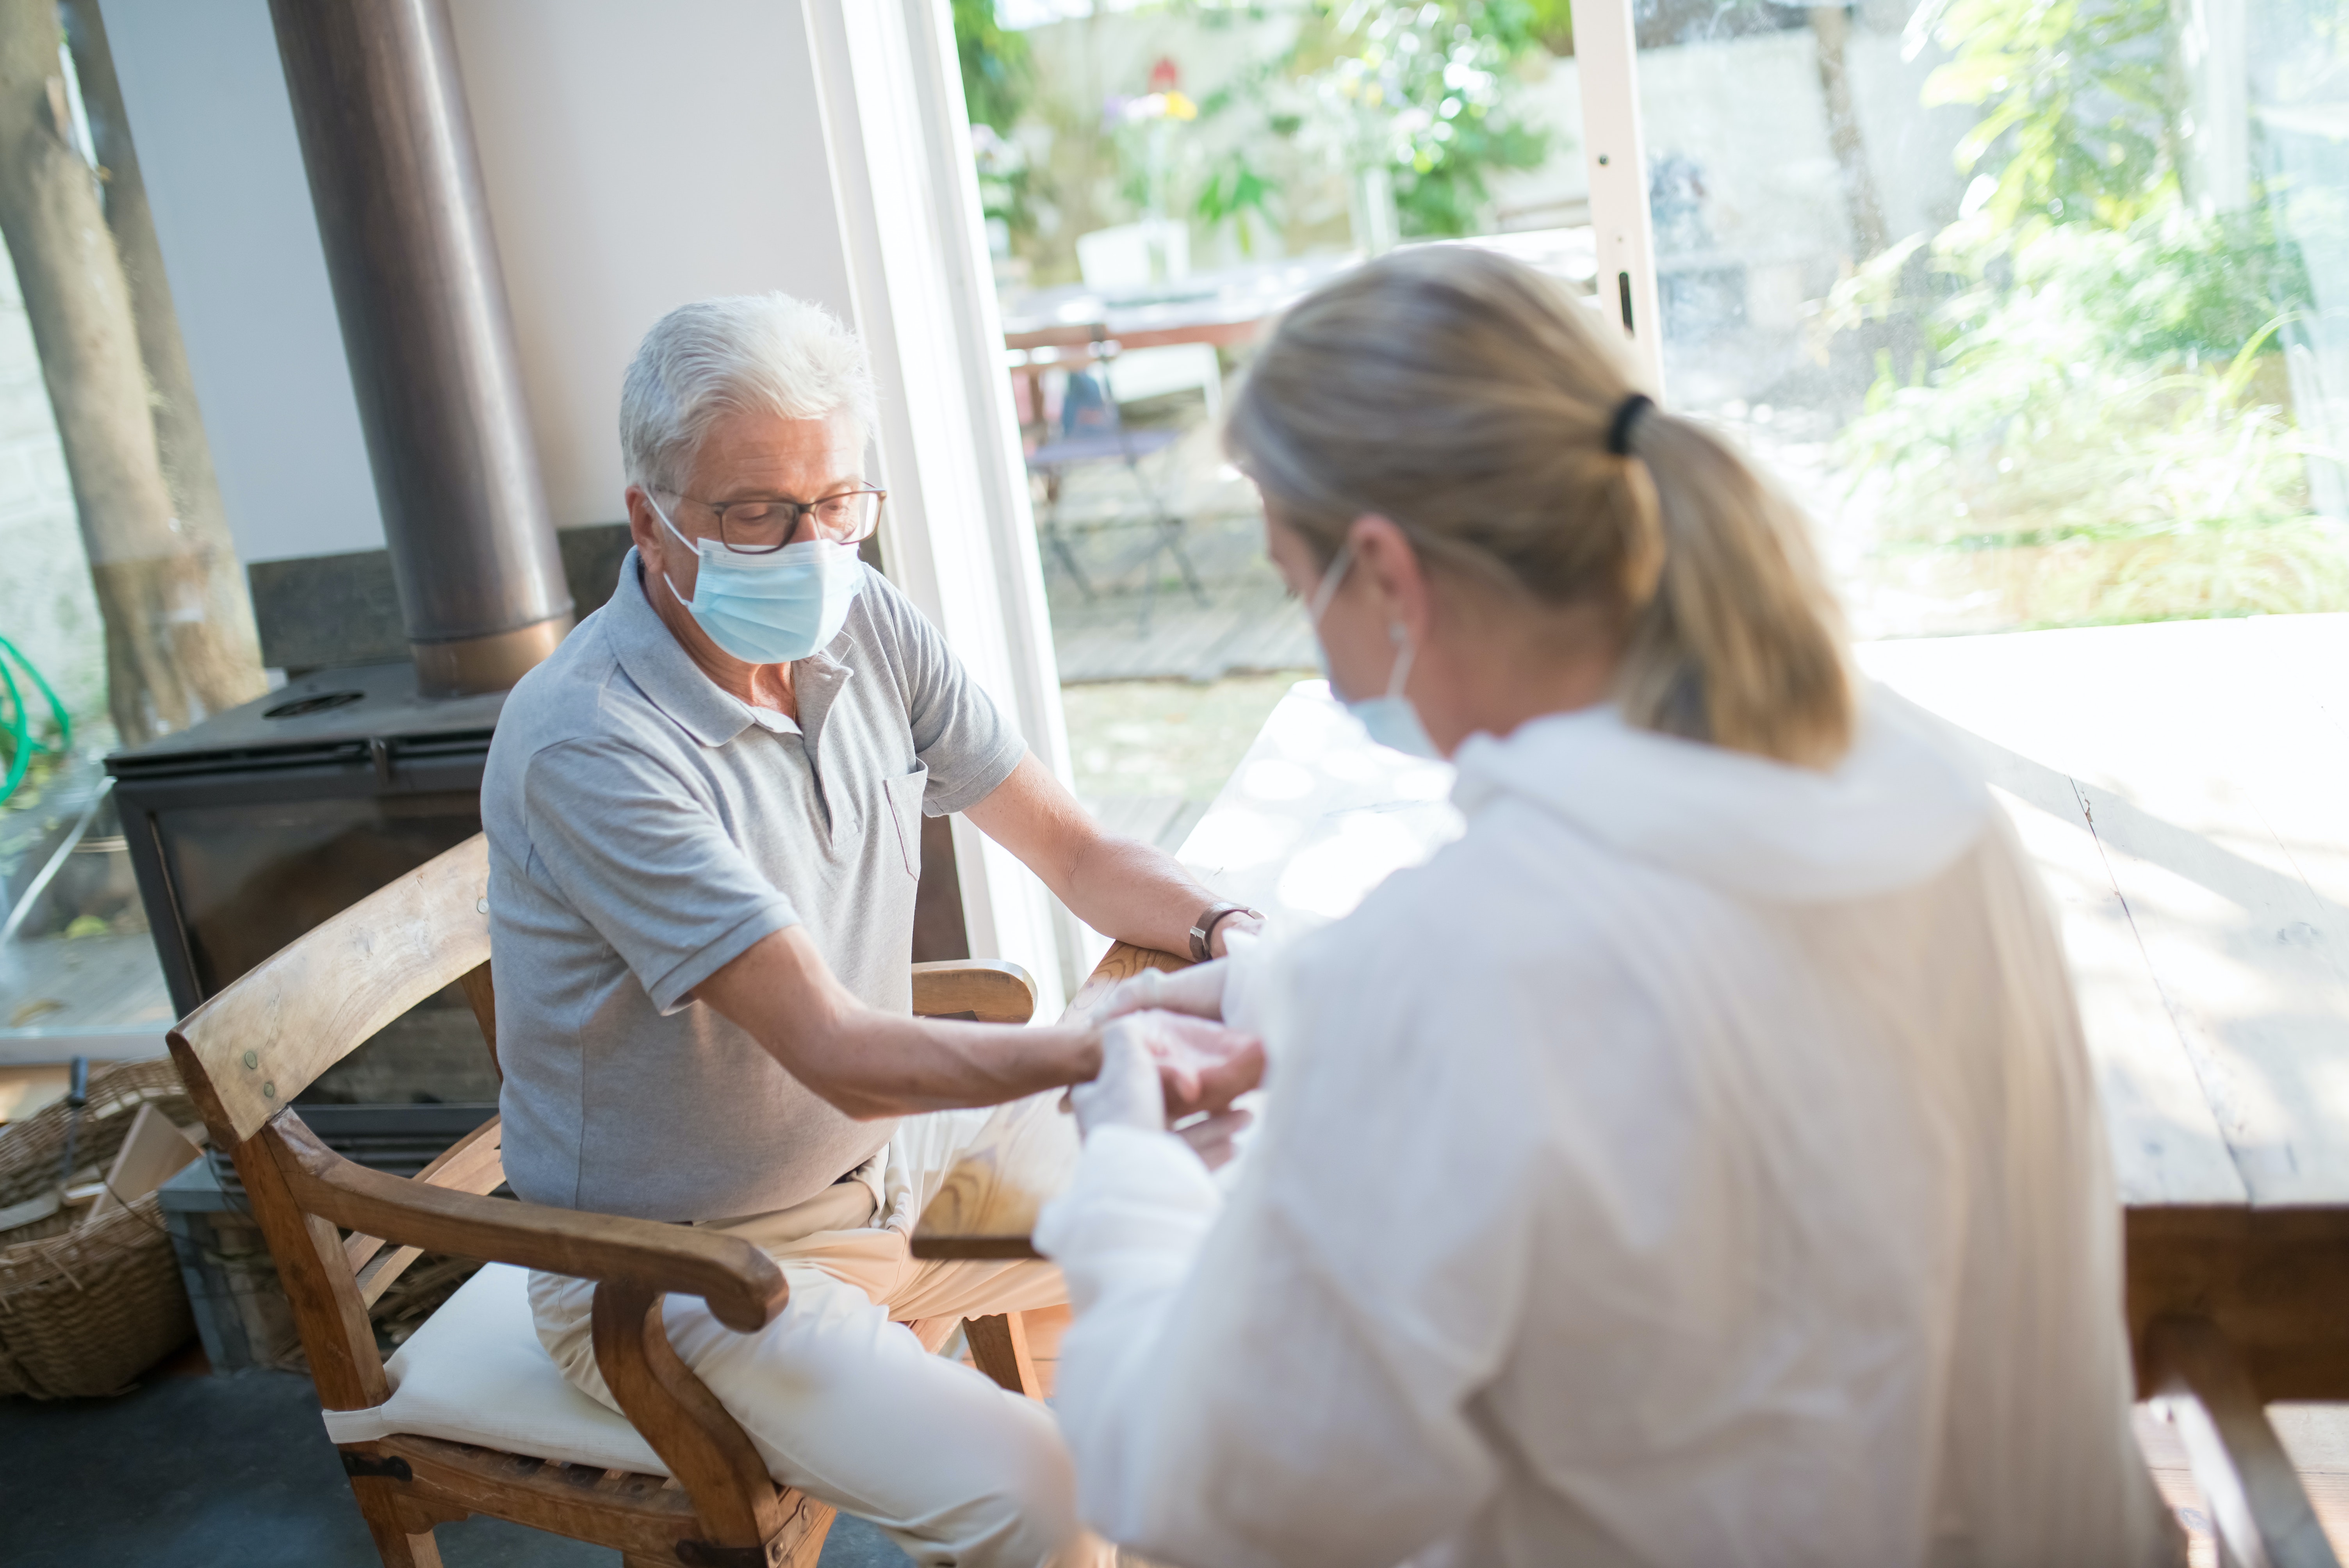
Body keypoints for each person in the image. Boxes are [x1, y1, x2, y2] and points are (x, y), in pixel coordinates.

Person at [1034, 247, 2181, 1567]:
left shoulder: (1467, 965)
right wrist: (1281, 992)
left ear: (1389, 577)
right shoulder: (1911, 790)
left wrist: (1126, 1165)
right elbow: (1681, 992)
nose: (1315, 638)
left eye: (1301, 590)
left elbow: (1210, 1484)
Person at [479, 293, 1262, 1568]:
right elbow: (835, 1046)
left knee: (1251, 1225)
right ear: (651, 520)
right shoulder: (591, 740)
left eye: (838, 502)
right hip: (678, 1274)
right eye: (757, 515)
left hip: (888, 1161)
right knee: (1047, 1505)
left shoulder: (861, 621)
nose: (811, 546)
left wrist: (1232, 936)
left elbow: (1073, 852)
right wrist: (1111, 1046)